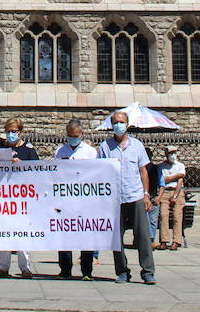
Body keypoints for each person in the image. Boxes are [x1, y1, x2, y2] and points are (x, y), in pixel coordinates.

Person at [97, 111, 156, 285]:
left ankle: (148, 271)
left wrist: (146, 194)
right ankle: (122, 271)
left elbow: (143, 171)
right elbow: (101, 172)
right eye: (115, 122)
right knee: (116, 238)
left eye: (121, 122)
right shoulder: (105, 147)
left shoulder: (137, 146)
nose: (118, 125)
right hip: (115, 199)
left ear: (127, 124)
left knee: (143, 236)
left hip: (135, 195)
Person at [0, 118, 39, 278]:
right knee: (4, 230)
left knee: (22, 232)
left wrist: (22, 164)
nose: (10, 134)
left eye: (14, 131)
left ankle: (25, 267)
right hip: (4, 196)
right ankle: (3, 267)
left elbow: (38, 171)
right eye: (8, 131)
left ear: (20, 132)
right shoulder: (0, 148)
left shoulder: (29, 150)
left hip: (22, 198)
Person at [55, 120, 98, 279]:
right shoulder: (60, 151)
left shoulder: (90, 152)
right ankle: (65, 269)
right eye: (70, 136)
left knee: (86, 235)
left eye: (76, 136)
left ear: (81, 134)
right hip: (66, 198)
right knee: (65, 234)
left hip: (85, 199)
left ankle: (87, 271)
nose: (73, 138)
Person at [155, 145, 187, 251]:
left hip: (177, 192)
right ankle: (164, 240)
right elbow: (163, 180)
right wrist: (176, 176)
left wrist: (175, 195)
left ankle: (176, 241)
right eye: (170, 153)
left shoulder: (180, 165)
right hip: (165, 192)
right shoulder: (161, 167)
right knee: (164, 215)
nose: (173, 155)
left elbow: (180, 180)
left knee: (177, 217)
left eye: (174, 153)